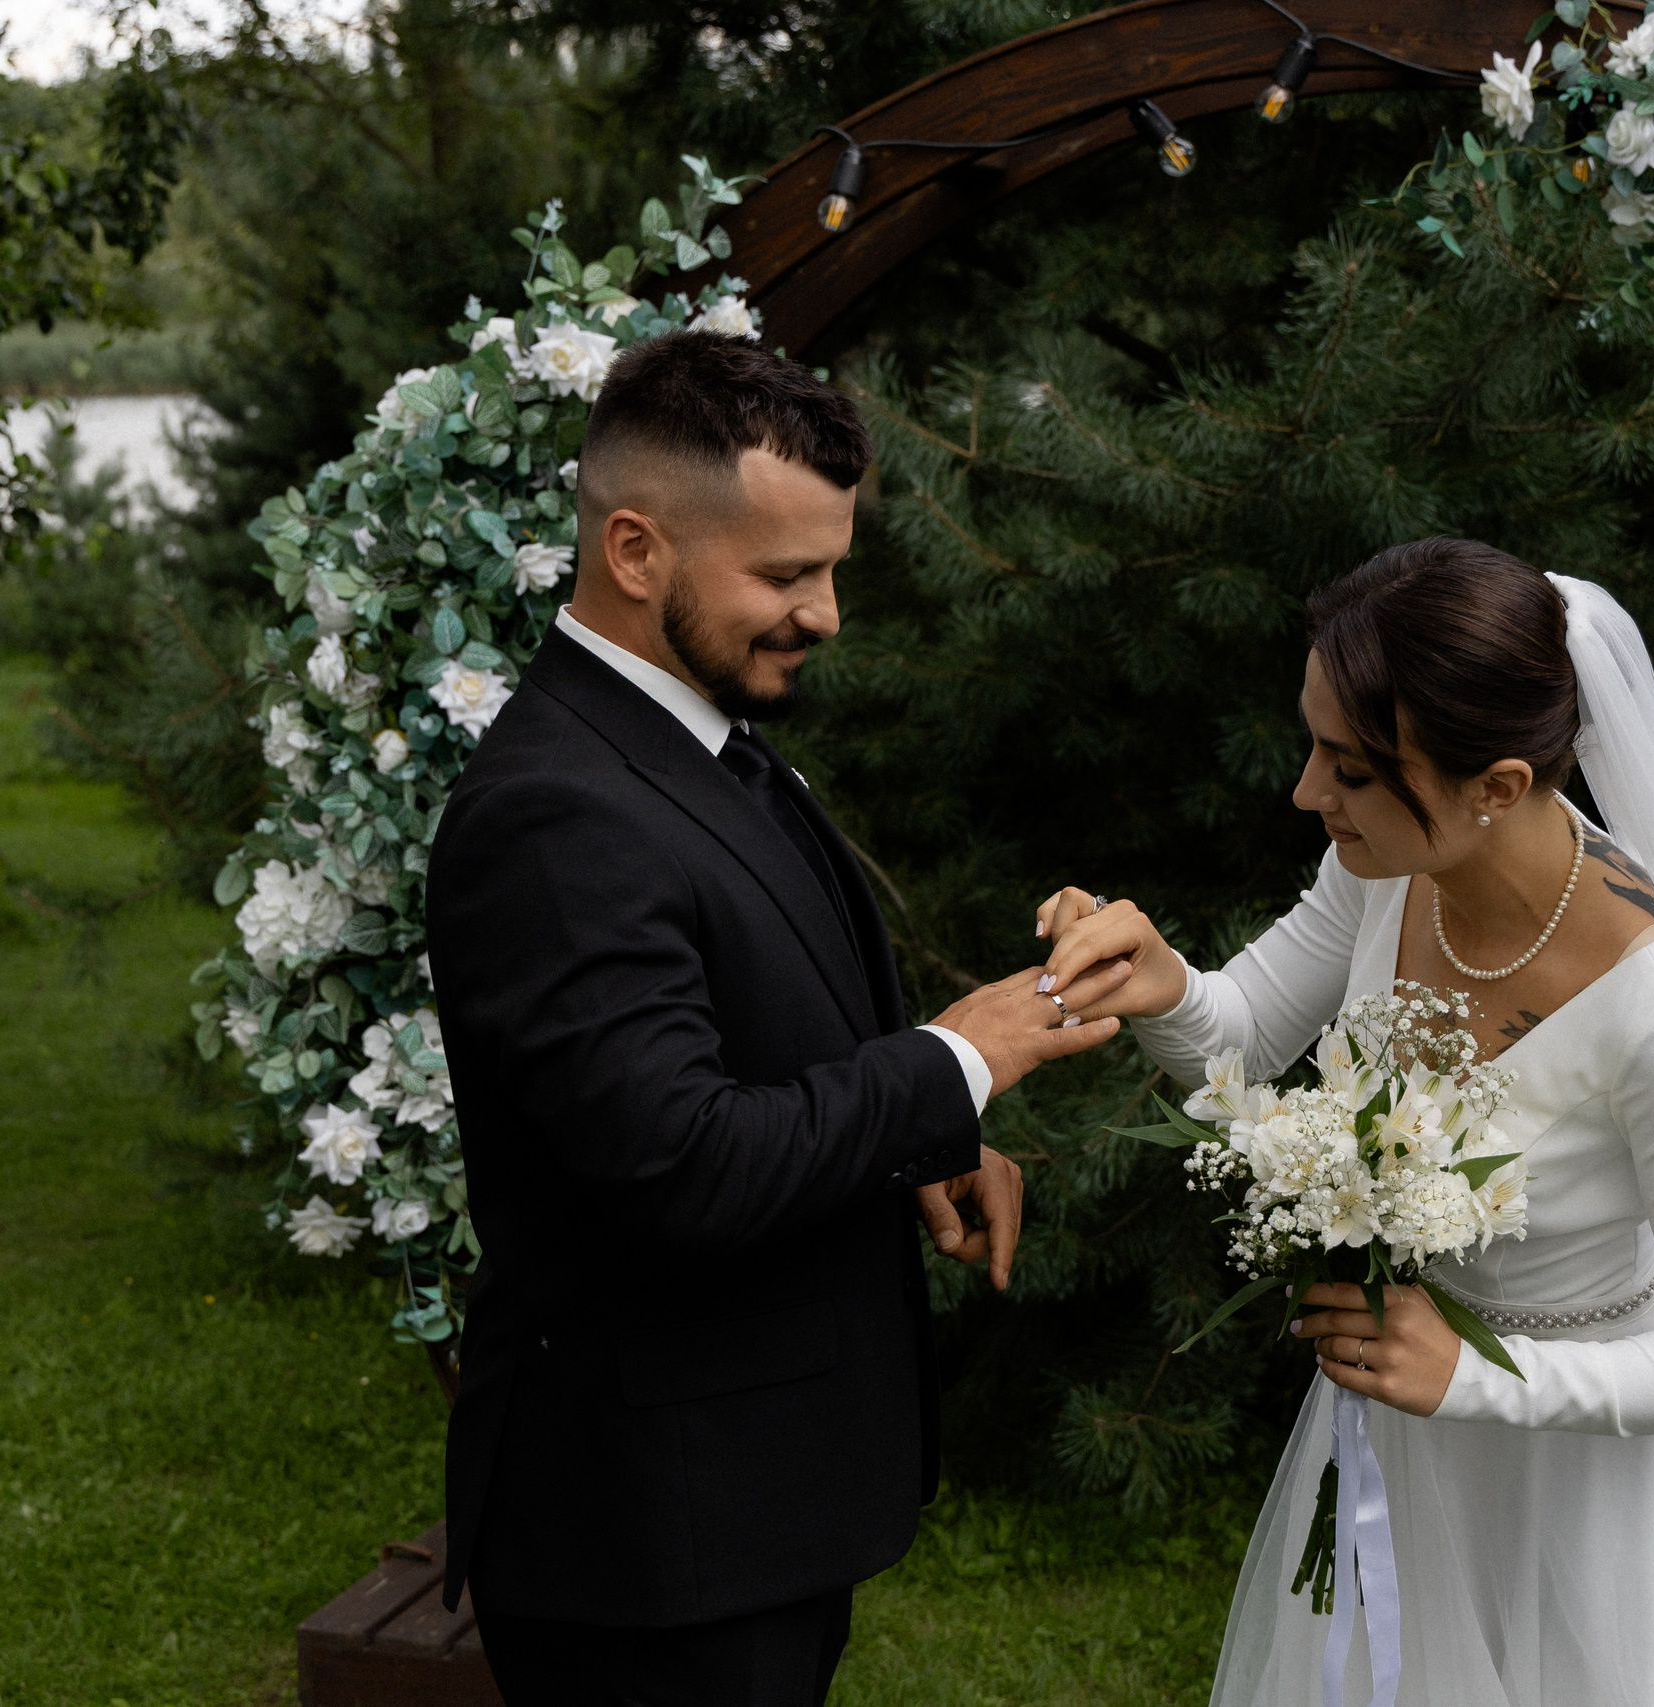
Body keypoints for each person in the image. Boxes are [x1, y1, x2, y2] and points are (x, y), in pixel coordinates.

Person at [1033, 539, 1654, 1707]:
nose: (1305, 793)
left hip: (1597, 1490)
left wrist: (1470, 1379)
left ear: (1494, 786)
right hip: (1407, 1450)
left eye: (1347, 766)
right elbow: (1237, 1035)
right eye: (1314, 744)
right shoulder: (1390, 865)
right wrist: (1162, 983)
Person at [425, 331, 1128, 1707]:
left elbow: (744, 1047)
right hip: (653, 1545)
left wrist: (920, 1137)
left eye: (831, 570)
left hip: (747, 1516)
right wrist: (960, 1057)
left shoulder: (695, 736)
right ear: (636, 550)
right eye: (785, 575)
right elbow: (683, 1165)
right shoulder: (554, 813)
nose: (825, 615)